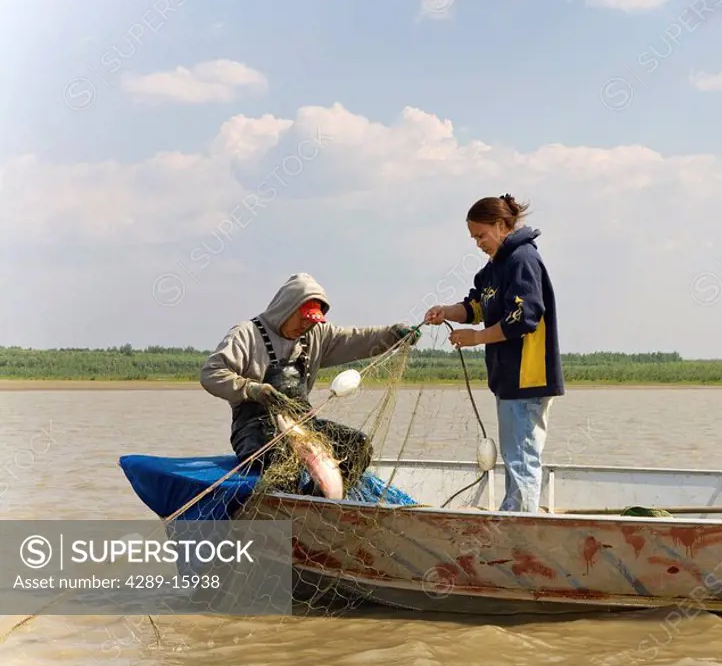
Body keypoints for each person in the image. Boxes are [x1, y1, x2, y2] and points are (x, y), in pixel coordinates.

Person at [200, 272, 419, 493]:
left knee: (358, 445)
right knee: (283, 457)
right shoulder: (246, 334)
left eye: (312, 320)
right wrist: (252, 389)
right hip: (254, 429)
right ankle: (287, 509)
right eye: (303, 318)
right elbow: (211, 373)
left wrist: (393, 335)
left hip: (304, 425)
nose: (306, 325)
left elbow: (356, 339)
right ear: (287, 307)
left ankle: (319, 504)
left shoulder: (317, 335)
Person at [423, 194, 564, 512]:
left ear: (501, 226)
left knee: (522, 458)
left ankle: (520, 528)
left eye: (481, 235)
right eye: (473, 237)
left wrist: (476, 338)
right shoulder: (494, 267)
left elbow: (523, 318)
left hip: (528, 378)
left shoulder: (522, 259)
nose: (477, 243)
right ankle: (516, 517)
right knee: (515, 455)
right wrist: (445, 311)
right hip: (506, 379)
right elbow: (476, 306)